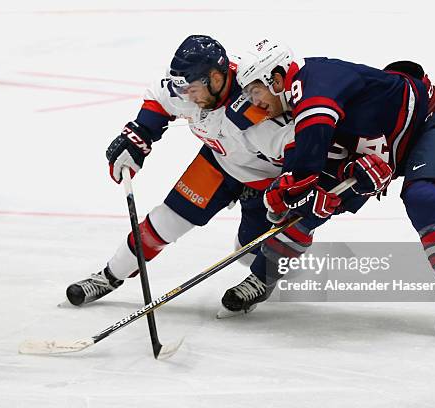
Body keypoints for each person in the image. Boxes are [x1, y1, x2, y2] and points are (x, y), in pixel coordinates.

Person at [219, 38, 435, 342]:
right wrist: (315, 190)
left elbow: (308, 157)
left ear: (276, 78)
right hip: (377, 145)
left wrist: (289, 191)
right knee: (310, 208)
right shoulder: (295, 99)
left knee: (425, 199)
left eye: (255, 92)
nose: (254, 102)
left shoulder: (314, 86)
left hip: (426, 126)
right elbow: (317, 156)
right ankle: (262, 277)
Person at [65, 35, 310, 307]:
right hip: (218, 163)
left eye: (192, 90)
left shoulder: (257, 106)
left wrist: (296, 188)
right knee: (163, 222)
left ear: (216, 79)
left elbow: (300, 150)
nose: (186, 97)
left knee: (248, 253)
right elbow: (159, 98)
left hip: (266, 182)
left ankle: (262, 279)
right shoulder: (188, 89)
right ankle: (108, 276)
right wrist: (139, 134)